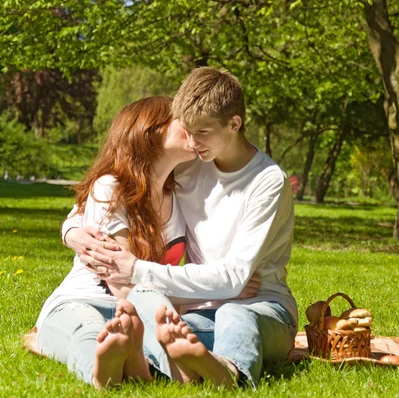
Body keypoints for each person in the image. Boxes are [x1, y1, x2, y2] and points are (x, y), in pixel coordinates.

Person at [63, 67, 298, 389]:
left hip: (262, 305)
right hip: (203, 307)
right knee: (155, 318)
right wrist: (72, 230)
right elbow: (119, 190)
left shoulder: (267, 181)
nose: (192, 141)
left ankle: (230, 372)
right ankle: (180, 368)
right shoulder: (192, 167)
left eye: (202, 132)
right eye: (187, 131)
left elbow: (234, 279)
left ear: (234, 124)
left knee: (235, 315)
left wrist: (136, 270)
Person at [35, 96, 259, 390]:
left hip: (147, 312)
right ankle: (102, 373)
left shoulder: (180, 193)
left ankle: (148, 364)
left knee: (180, 322)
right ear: (151, 132)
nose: (193, 129)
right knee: (87, 332)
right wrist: (218, 292)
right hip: (85, 300)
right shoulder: (111, 187)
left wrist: (222, 290)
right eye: (182, 122)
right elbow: (123, 285)